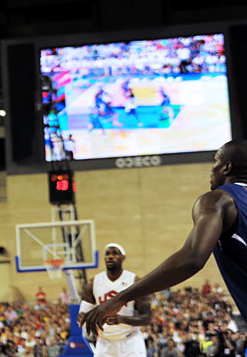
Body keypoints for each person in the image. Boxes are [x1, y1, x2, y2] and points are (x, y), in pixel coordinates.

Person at [80, 140, 247, 335]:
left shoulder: (218, 200)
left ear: (227, 167)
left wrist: (120, 298)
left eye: (215, 162)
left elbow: (192, 259)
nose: (211, 169)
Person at [77, 243, 152, 357]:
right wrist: (83, 318)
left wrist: (122, 319)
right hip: (104, 341)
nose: (110, 257)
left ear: (123, 258)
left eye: (115, 253)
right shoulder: (92, 283)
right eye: (107, 254)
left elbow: (147, 318)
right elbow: (82, 317)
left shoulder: (134, 281)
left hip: (130, 341)